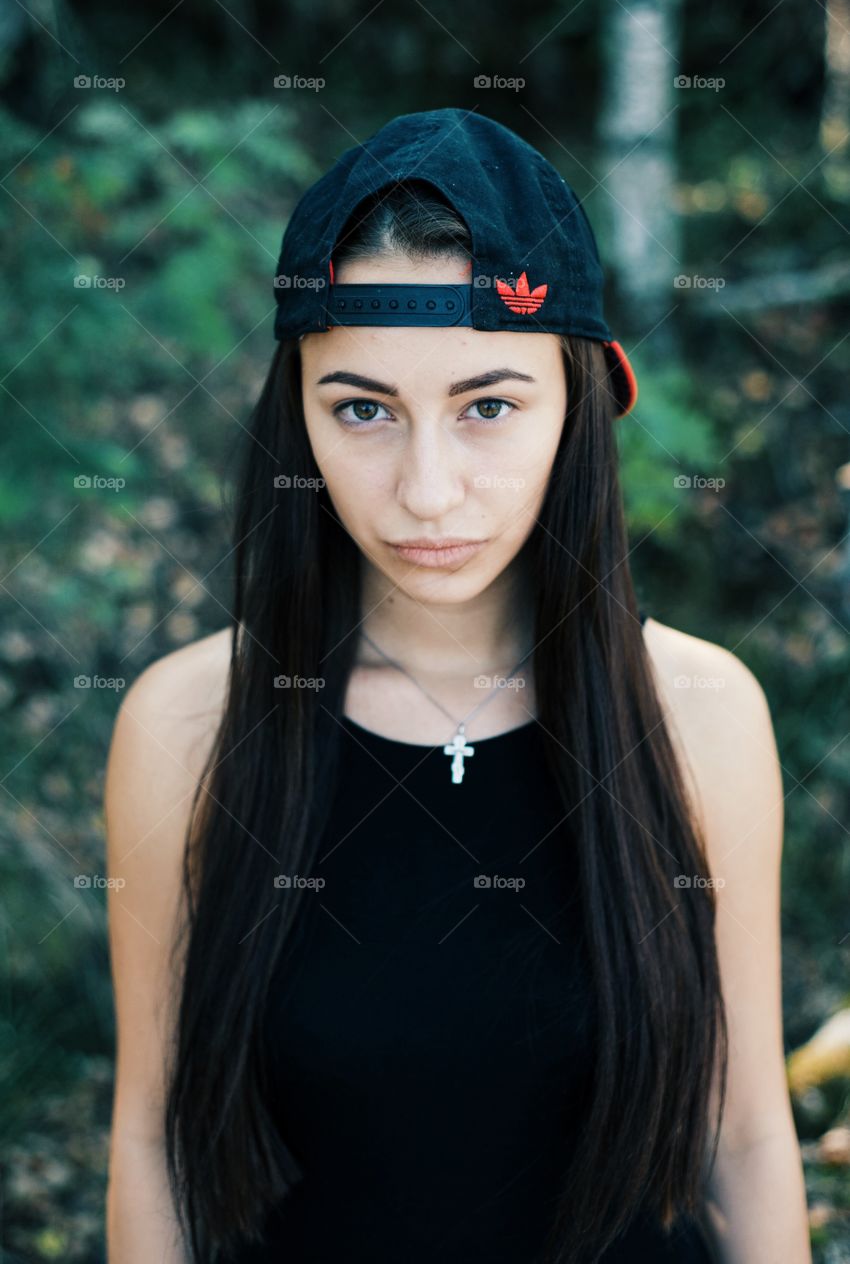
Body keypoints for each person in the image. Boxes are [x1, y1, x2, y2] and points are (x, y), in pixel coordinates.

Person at [104, 108, 811, 1264]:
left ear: (580, 404)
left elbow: (739, 1136)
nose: (426, 491)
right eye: (363, 409)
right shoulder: (190, 726)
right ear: (301, 418)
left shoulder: (701, 714)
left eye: (487, 405)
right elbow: (152, 1140)